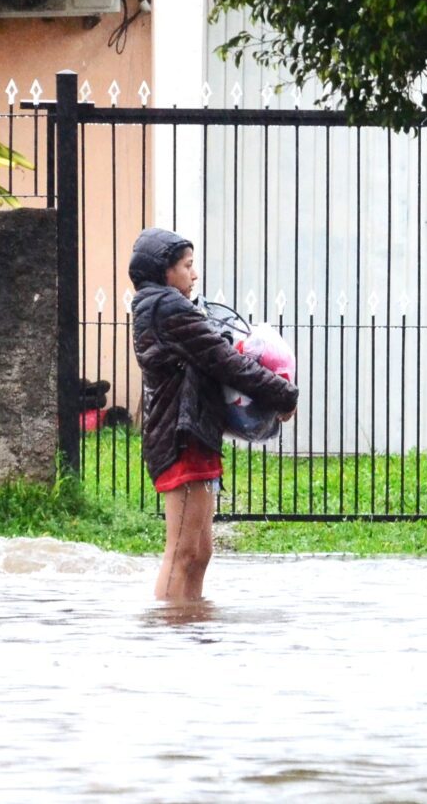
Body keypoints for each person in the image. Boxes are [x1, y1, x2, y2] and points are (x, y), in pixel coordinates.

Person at [129, 227, 299, 602]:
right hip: (181, 438)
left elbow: (211, 351)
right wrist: (284, 395)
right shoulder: (165, 307)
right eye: (188, 266)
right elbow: (225, 363)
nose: (195, 274)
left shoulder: (167, 309)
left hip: (195, 433)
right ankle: (169, 631)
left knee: (201, 551)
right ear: (164, 271)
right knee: (183, 551)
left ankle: (192, 623)